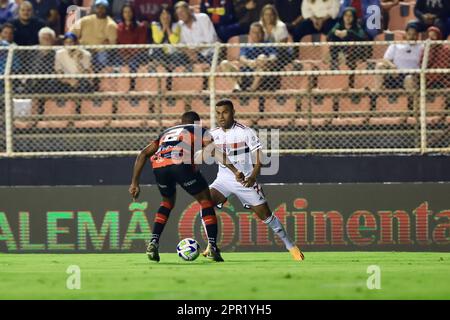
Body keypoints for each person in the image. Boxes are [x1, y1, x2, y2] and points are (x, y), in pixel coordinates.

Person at [129, 111, 243, 262]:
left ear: (181, 121)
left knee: (167, 203)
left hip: (159, 167)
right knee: (205, 201)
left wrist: (135, 182)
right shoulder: (199, 130)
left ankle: (153, 242)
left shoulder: (166, 132)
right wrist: (234, 170)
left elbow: (143, 153)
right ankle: (213, 247)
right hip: (181, 163)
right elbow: (213, 150)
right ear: (197, 122)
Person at [202, 99, 305, 261]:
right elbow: (210, 153)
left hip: (245, 180)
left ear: (233, 112)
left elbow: (260, 158)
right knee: (205, 204)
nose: (221, 116)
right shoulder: (213, 134)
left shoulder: (246, 132)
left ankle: (290, 244)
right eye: (218, 113)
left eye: (225, 112)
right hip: (223, 179)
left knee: (266, 215)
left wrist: (253, 177)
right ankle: (212, 245)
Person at [221, 22, 279, 92]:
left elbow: (274, 57)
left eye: (259, 33)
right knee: (224, 63)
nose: (257, 35)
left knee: (262, 57)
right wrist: (249, 62)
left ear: (263, 34)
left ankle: (252, 89)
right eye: (254, 32)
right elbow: (242, 58)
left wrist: (263, 60)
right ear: (250, 34)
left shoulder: (268, 44)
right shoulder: (246, 46)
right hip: (244, 74)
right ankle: (236, 87)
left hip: (260, 74)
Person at [70, 0, 117, 71]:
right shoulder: (85, 20)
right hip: (83, 48)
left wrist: (104, 46)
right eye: (98, 7)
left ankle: (97, 76)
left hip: (99, 51)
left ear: (107, 9)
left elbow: (112, 44)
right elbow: (72, 32)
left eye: (103, 8)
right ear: (95, 8)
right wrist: (73, 40)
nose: (100, 10)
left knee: (102, 56)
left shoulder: (111, 25)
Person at [375, 22, 423, 91]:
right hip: (396, 74)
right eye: (409, 34)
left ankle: (412, 101)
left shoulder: (422, 47)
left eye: (414, 34)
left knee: (409, 78)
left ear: (418, 35)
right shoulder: (396, 45)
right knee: (380, 65)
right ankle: (378, 92)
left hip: (411, 75)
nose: (412, 37)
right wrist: (392, 66)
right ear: (405, 34)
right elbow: (385, 59)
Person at [176, 1, 217, 66]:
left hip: (208, 54)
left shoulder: (203, 18)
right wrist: (188, 52)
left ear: (188, 10)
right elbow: (179, 44)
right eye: (178, 14)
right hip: (191, 57)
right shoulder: (179, 25)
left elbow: (210, 40)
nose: (181, 15)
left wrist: (195, 51)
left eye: (182, 12)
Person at [327, 6, 368, 73]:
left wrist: (348, 33)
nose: (347, 18)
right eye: (345, 15)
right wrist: (335, 32)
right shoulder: (339, 25)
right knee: (333, 38)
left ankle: (350, 62)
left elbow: (363, 37)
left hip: (354, 51)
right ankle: (334, 63)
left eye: (350, 16)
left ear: (354, 17)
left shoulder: (357, 26)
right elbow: (328, 37)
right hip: (341, 50)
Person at [116, 4, 148, 74]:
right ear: (122, 14)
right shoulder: (118, 27)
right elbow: (118, 43)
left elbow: (141, 44)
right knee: (116, 63)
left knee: (133, 64)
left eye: (129, 12)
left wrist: (130, 55)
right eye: (125, 12)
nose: (127, 14)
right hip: (122, 55)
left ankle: (132, 83)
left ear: (133, 13)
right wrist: (124, 55)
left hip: (137, 54)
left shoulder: (140, 27)